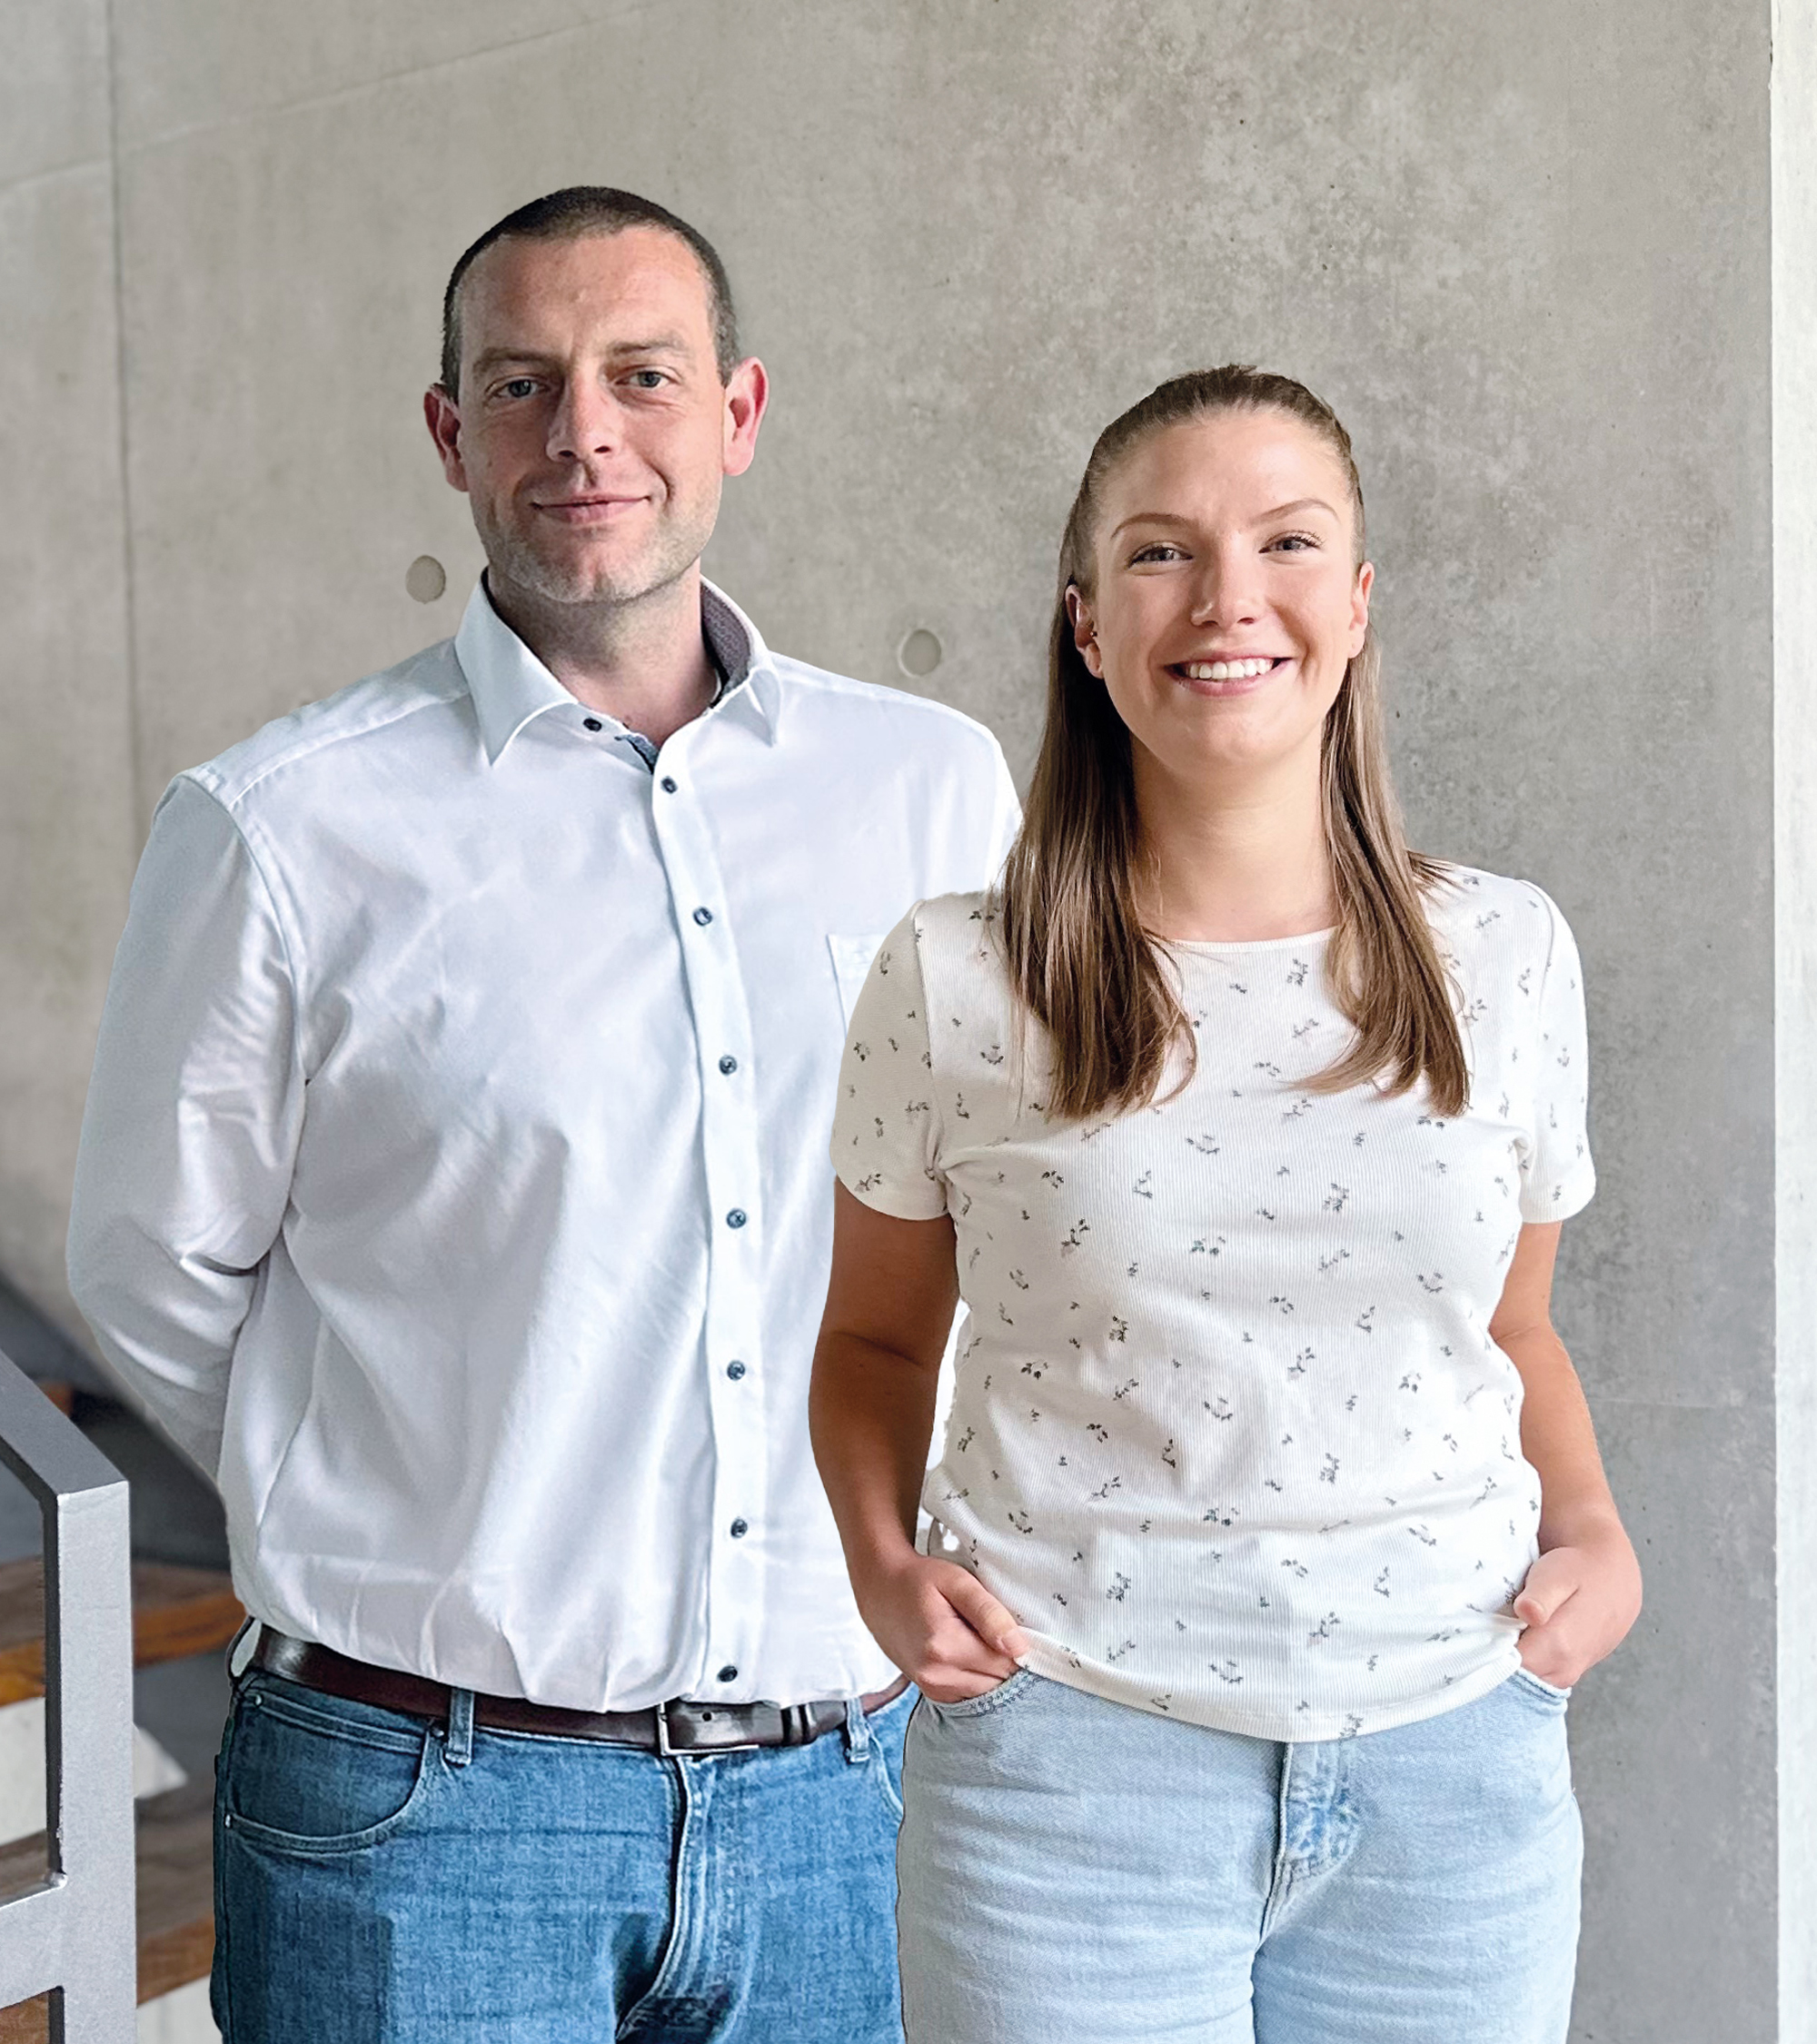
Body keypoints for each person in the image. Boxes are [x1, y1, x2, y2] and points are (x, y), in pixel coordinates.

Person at [67, 185, 1018, 2044]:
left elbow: (994, 1211)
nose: (584, 431)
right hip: (423, 1812)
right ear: (450, 434)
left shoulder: (927, 791)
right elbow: (150, 1271)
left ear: (738, 412)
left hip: (838, 1803)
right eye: (522, 384)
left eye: (641, 375)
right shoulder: (282, 828)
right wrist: (406, 1485)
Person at [810, 365, 1642, 2044]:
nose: (1227, 598)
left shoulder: (1505, 953)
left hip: (1455, 1773)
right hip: (1068, 1776)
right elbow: (874, 1343)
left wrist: (1601, 1538)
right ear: (1085, 624)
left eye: (1286, 541)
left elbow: (1516, 1329)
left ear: (1358, 602)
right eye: (1160, 552)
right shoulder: (954, 975)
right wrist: (882, 1565)